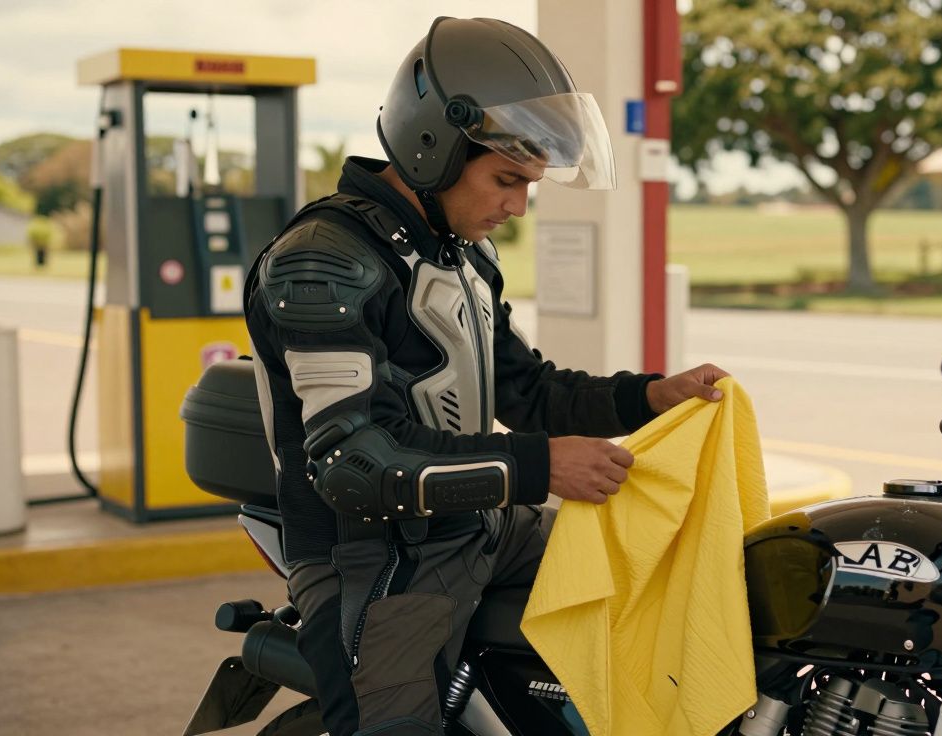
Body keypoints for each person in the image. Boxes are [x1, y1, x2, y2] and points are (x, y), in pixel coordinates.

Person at [244, 16, 729, 736]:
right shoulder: (325, 262)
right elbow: (351, 465)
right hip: (371, 559)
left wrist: (651, 396)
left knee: (658, 578)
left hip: (478, 524)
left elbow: (529, 390)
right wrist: (538, 467)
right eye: (506, 180)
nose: (516, 206)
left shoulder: (461, 257)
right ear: (432, 148)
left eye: (527, 184)